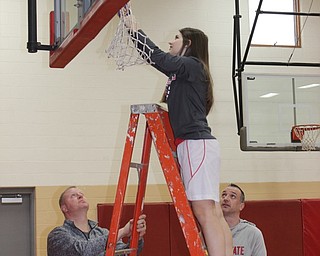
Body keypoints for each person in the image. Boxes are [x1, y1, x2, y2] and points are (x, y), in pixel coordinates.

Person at [125, 18, 233, 256]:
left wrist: (135, 32)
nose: (171, 42)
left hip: (197, 144)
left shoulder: (192, 64)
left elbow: (159, 59)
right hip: (198, 145)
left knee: (206, 212)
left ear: (189, 43)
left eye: (176, 38)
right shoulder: (187, 72)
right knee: (212, 211)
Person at [47, 186, 146, 256]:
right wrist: (121, 232)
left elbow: (126, 253)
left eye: (81, 194)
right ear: (64, 208)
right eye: (73, 195)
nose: (80, 196)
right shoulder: (57, 235)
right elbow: (83, 252)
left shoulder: (102, 233)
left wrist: (136, 236)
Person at [221, 183, 267, 256]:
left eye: (232, 196)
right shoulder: (208, 231)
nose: (226, 199)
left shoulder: (253, 233)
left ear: (241, 206)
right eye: (223, 195)